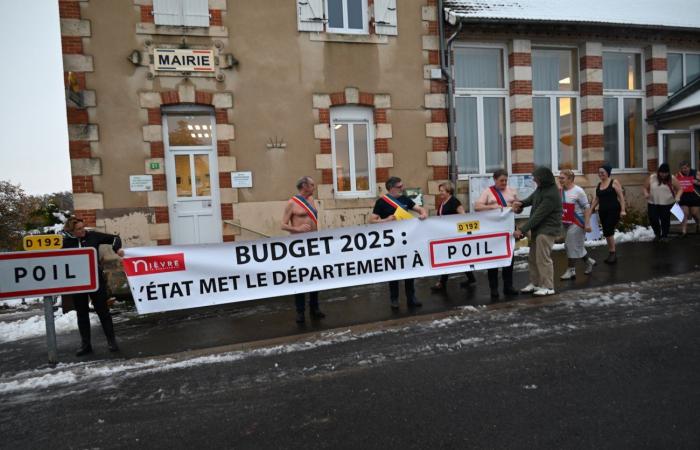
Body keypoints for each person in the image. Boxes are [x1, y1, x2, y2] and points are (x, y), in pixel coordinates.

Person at [61, 217, 123, 356]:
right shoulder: (66, 243)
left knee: (103, 312)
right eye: (79, 229)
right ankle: (86, 345)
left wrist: (117, 248)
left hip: (96, 282)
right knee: (82, 314)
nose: (83, 230)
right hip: (78, 284)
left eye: (83, 227)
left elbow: (115, 238)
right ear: (71, 231)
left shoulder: (92, 236)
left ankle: (112, 342)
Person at [369, 176, 428, 309]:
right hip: (391, 242)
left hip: (406, 240)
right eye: (400, 187)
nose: (403, 188)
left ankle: (411, 298)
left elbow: (420, 209)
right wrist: (386, 220)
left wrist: (423, 214)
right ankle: (394, 299)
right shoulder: (381, 202)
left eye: (402, 186)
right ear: (391, 188)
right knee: (393, 270)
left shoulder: (405, 199)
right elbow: (371, 221)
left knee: (409, 269)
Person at [512, 166, 562, 297]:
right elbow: (531, 199)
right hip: (538, 229)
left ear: (543, 178)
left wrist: (522, 230)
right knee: (533, 258)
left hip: (547, 230)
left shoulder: (551, 194)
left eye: (536, 177)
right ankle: (535, 283)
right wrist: (521, 203)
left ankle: (548, 286)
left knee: (543, 259)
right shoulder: (541, 188)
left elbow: (538, 216)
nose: (534, 179)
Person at [281, 176, 325, 324]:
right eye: (312, 185)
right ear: (304, 186)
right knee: (300, 278)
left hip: (313, 243)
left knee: (315, 276)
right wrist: (297, 229)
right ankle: (300, 312)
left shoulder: (311, 200)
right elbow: (283, 225)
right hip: (299, 246)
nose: (314, 187)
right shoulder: (292, 203)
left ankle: (315, 307)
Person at [474, 169, 519, 299]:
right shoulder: (488, 192)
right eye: (501, 180)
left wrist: (517, 206)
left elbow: (518, 207)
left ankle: (508, 287)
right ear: (495, 180)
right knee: (493, 261)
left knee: (509, 259)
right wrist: (492, 207)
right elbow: (477, 207)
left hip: (508, 230)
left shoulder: (511, 191)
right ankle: (493, 288)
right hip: (493, 231)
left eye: (505, 180)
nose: (504, 183)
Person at [430, 181, 477, 292]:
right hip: (445, 236)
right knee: (457, 258)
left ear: (448, 191)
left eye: (442, 191)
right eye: (440, 191)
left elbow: (463, 216)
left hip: (454, 236)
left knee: (448, 258)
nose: (440, 193)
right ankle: (471, 278)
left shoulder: (454, 201)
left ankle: (442, 283)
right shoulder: (442, 203)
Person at [557, 169, 595, 280]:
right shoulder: (560, 191)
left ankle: (571, 270)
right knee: (574, 246)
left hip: (577, 222)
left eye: (562, 178)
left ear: (570, 179)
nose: (560, 180)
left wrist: (587, 224)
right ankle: (588, 261)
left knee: (570, 245)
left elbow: (587, 208)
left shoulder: (578, 191)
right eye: (559, 178)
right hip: (565, 223)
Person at [590, 164, 626, 264]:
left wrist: (623, 210)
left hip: (614, 210)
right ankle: (611, 252)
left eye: (602, 172)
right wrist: (591, 208)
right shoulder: (599, 185)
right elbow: (597, 199)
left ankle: (613, 253)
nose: (600, 174)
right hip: (603, 211)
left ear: (608, 173)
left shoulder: (614, 182)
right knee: (606, 232)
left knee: (609, 230)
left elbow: (621, 197)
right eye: (599, 172)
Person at [644, 163, 682, 242]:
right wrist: (646, 193)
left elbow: (680, 189)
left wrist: (678, 196)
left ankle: (664, 235)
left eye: (665, 173)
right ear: (658, 172)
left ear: (668, 172)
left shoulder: (672, 178)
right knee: (653, 218)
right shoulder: (652, 177)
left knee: (665, 220)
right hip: (653, 202)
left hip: (667, 203)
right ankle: (657, 234)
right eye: (661, 173)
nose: (663, 175)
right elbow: (645, 187)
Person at [676, 161, 700, 236]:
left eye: (685, 168)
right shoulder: (678, 175)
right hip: (683, 197)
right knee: (684, 213)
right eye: (682, 168)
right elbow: (674, 183)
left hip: (694, 196)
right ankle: (684, 231)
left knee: (694, 213)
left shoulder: (696, 173)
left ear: (689, 167)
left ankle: (698, 224)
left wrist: (696, 182)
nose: (684, 170)